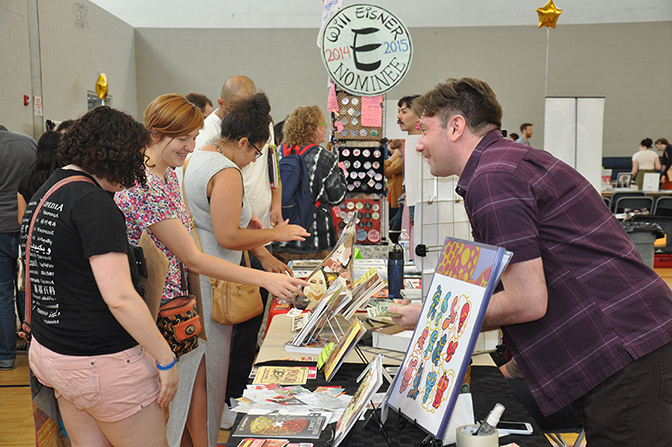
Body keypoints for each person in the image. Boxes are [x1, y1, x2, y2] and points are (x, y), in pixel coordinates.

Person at [390, 77, 672, 446]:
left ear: (456, 126)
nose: (419, 144)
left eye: (424, 130)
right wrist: (511, 369)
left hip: (627, 355)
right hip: (629, 346)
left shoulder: (492, 178)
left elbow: (528, 300)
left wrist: (427, 316)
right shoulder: (508, 163)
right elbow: (560, 270)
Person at [114, 93, 306, 447]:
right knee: (168, 411)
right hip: (159, 310)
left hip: (179, 303)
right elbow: (196, 256)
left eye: (193, 138)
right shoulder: (147, 183)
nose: (190, 147)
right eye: (183, 138)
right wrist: (265, 275)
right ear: (156, 133)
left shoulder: (169, 174)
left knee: (192, 393)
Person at [21, 106, 179, 446]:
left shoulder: (46, 192)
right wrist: (165, 358)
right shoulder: (94, 203)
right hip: (99, 361)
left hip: (53, 354)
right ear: (115, 155)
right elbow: (119, 297)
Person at [191, 76, 287, 430]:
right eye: (255, 153)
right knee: (218, 351)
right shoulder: (221, 164)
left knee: (220, 350)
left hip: (223, 260)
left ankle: (218, 410)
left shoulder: (209, 157)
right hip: (219, 266)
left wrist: (266, 243)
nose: (254, 161)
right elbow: (228, 234)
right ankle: (220, 409)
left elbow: (240, 224)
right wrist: (273, 240)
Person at [272, 105, 347, 263]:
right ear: (312, 129)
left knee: (282, 286)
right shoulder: (323, 157)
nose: (325, 130)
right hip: (316, 240)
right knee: (316, 286)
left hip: (279, 238)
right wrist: (340, 174)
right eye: (323, 125)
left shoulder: (276, 153)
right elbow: (336, 197)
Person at [0, 125, 36, 371]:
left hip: (0, 228)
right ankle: (35, 350)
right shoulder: (28, 143)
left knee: (2, 293)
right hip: (27, 225)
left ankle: (6, 356)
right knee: (27, 289)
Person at [17, 131, 63, 223]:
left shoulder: (26, 179)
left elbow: (21, 218)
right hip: (60, 231)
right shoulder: (64, 178)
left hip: (35, 233)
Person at [385, 139, 404, 243]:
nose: (389, 141)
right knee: (392, 228)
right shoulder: (401, 158)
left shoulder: (402, 159)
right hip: (395, 199)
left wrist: (393, 157)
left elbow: (386, 171)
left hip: (399, 201)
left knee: (393, 231)